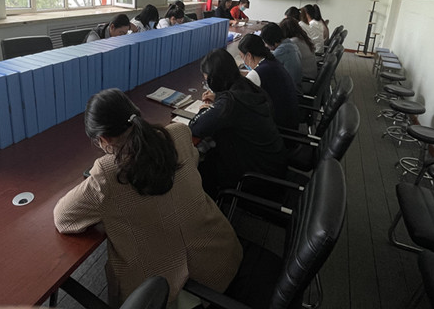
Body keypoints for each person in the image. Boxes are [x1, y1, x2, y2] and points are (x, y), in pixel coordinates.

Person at [53, 89, 242, 307]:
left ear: (104, 139)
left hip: (178, 287)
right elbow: (192, 162)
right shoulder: (179, 133)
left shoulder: (107, 172)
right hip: (222, 254)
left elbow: (63, 217)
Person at [189, 48, 289, 198]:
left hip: (256, 177)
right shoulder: (248, 86)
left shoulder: (230, 102)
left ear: (215, 80)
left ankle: (212, 204)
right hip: (273, 166)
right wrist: (218, 98)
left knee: (203, 163)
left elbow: (195, 127)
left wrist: (204, 109)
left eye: (207, 80)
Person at [238, 34, 299, 129]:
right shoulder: (271, 62)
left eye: (242, 57)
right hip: (290, 120)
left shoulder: (257, 74)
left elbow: (238, 97)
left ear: (249, 55)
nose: (244, 62)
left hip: (278, 126)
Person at [260, 22, 303, 93]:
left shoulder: (282, 51)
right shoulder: (290, 44)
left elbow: (263, 66)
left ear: (271, 41)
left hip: (291, 91)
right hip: (295, 85)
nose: (266, 46)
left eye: (266, 43)